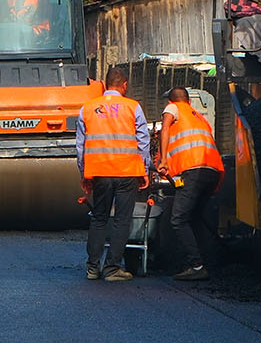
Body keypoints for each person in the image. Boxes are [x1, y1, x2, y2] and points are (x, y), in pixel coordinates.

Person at [77, 67, 149, 281]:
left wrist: (84, 173)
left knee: (99, 218)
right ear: (124, 85)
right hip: (127, 171)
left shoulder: (88, 108)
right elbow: (143, 142)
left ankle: (92, 268)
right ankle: (112, 268)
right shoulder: (133, 107)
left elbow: (80, 146)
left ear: (105, 85)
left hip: (100, 171)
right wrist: (144, 171)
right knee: (121, 220)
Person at [159, 87, 224, 281]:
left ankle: (197, 266)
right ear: (189, 101)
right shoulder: (200, 118)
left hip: (194, 170)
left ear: (171, 101)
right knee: (195, 216)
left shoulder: (173, 108)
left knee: (178, 219)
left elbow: (165, 129)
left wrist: (163, 160)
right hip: (212, 171)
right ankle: (210, 259)